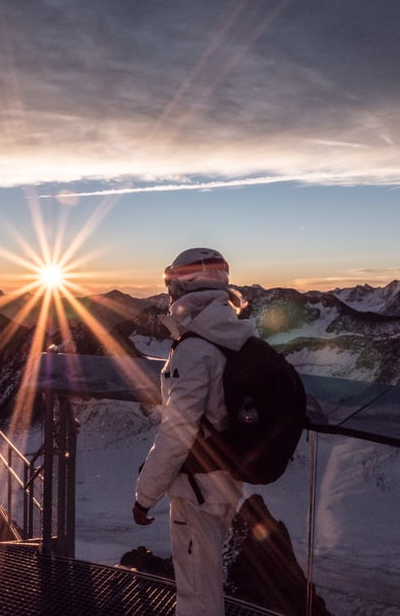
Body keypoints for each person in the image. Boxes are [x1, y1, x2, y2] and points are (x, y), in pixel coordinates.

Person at [133, 247, 255, 616]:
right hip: (224, 480)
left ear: (184, 285)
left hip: (197, 489)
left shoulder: (194, 348)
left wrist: (144, 496)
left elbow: (178, 432)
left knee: (196, 595)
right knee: (205, 583)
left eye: (171, 282)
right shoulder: (233, 334)